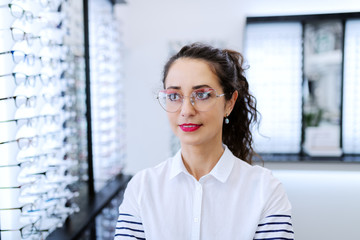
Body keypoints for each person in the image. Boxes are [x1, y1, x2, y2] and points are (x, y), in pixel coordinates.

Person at [114, 43, 294, 240]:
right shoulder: (142, 187)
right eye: (174, 96)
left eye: (202, 95)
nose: (186, 110)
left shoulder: (265, 189)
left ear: (229, 103)